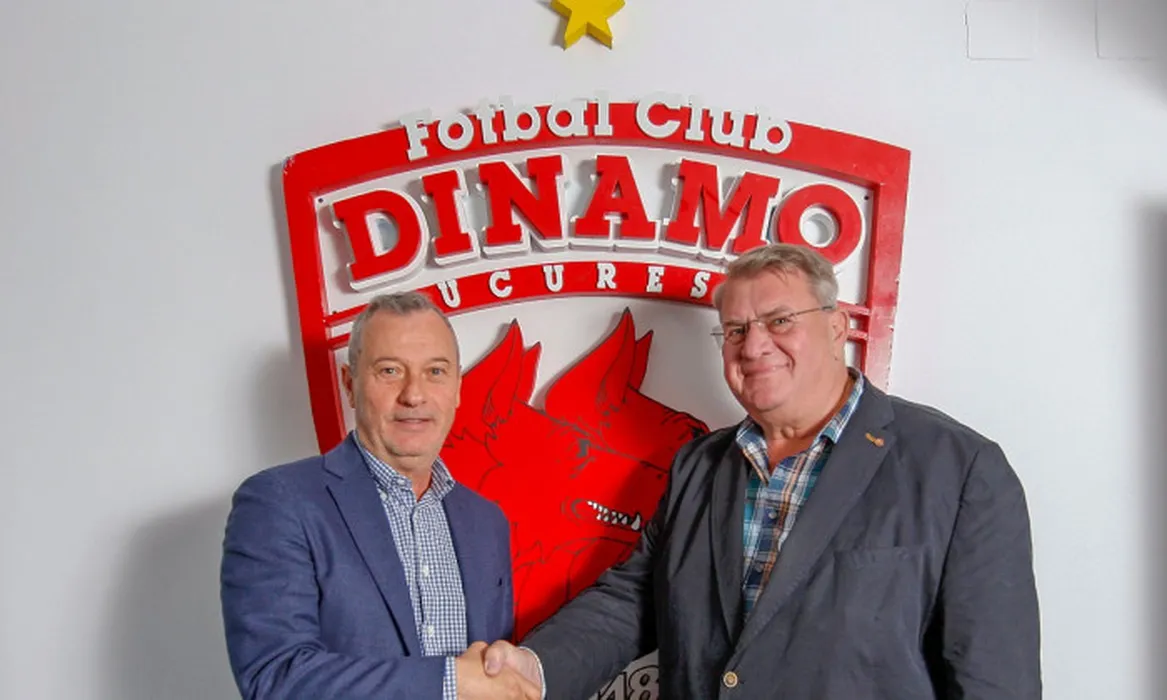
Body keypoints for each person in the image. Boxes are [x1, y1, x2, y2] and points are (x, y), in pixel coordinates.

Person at [483, 243, 1041, 699]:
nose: (753, 346)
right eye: (734, 330)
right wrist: (535, 667)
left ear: (837, 327)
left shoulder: (958, 468)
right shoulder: (699, 465)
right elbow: (635, 600)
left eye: (779, 321)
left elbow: (994, 680)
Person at [221, 291, 538, 700]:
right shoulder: (278, 504)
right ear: (349, 384)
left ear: (458, 388)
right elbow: (276, 678)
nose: (414, 395)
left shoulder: (486, 522)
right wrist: (449, 682)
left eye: (435, 372)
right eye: (390, 371)